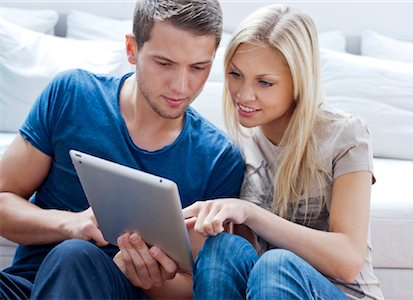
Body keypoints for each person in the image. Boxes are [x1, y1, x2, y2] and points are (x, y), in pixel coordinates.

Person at [0, 0, 244, 299]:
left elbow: (202, 286)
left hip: (117, 292)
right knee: (71, 252)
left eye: (198, 67)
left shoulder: (219, 158)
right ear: (132, 49)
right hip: (25, 286)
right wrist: (71, 223)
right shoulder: (72, 94)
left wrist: (151, 280)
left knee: (75, 257)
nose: (181, 86)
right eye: (164, 64)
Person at [183, 4, 384, 300]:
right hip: (268, 290)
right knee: (222, 248)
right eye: (236, 74)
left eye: (265, 82)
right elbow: (239, 262)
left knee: (278, 265)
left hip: (344, 294)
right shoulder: (238, 146)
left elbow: (348, 261)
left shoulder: (346, 135)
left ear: (299, 82)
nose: (243, 94)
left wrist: (250, 213)